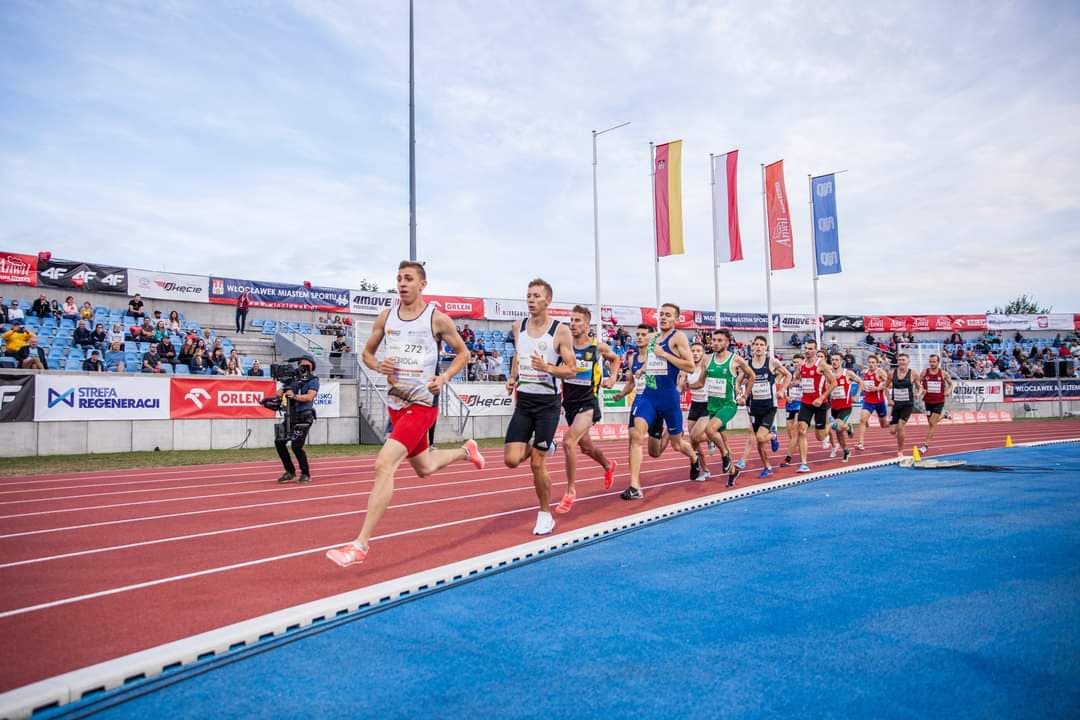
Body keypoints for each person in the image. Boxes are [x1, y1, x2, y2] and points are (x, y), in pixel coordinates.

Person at [326, 261, 483, 567]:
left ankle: (360, 545)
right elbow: (367, 355)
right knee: (424, 467)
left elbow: (463, 353)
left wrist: (444, 377)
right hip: (395, 402)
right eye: (399, 279)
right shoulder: (386, 317)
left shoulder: (437, 320)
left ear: (422, 284)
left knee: (384, 464)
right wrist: (377, 366)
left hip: (423, 404)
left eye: (408, 279)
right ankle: (467, 451)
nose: (402, 283)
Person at [502, 278, 577, 534]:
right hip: (524, 402)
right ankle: (545, 444)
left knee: (536, 463)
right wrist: (512, 378)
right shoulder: (518, 326)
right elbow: (518, 355)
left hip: (547, 404)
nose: (531, 300)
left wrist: (548, 368)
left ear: (548, 300)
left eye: (536, 296)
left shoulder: (560, 331)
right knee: (511, 460)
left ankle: (545, 514)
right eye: (529, 295)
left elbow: (571, 369)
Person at [624, 303, 701, 499]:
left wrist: (665, 354)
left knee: (676, 444)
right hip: (649, 397)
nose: (664, 318)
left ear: (676, 319)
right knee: (635, 435)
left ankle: (694, 457)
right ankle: (634, 486)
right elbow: (652, 359)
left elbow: (691, 366)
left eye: (668, 315)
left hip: (669, 399)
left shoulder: (678, 337)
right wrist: (643, 369)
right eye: (662, 315)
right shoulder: (654, 338)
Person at [554, 305, 620, 514]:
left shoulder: (596, 347)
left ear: (587, 324)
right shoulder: (563, 346)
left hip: (588, 403)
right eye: (571, 320)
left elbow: (616, 359)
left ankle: (570, 491)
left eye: (577, 321)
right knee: (586, 448)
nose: (573, 324)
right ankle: (608, 465)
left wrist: (613, 377)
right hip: (570, 404)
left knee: (568, 442)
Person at [690, 328, 752, 487]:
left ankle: (724, 455)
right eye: (714, 340)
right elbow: (701, 383)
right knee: (718, 439)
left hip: (728, 405)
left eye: (719, 340)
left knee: (710, 430)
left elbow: (751, 375)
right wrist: (685, 386)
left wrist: (744, 395)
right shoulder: (706, 360)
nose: (715, 343)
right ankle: (733, 471)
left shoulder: (735, 360)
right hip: (712, 406)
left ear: (727, 342)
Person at [612, 324, 671, 462]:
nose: (639, 337)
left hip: (655, 402)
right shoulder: (632, 358)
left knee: (654, 452)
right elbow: (632, 382)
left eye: (644, 335)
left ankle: (669, 431)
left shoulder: (659, 357)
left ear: (651, 338)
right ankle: (634, 480)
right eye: (638, 334)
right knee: (633, 438)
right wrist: (621, 394)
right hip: (639, 401)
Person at [740, 336, 791, 478]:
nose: (758, 347)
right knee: (759, 442)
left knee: (761, 437)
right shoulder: (747, 363)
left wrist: (782, 390)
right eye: (756, 344)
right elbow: (737, 381)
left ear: (766, 348)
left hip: (769, 406)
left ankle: (773, 435)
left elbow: (788, 375)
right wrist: (740, 394)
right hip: (753, 407)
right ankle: (767, 467)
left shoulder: (772, 362)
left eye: (761, 345)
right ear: (752, 347)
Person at [273, 356, 321, 485]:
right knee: (279, 442)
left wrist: (294, 396)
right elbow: (278, 393)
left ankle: (305, 473)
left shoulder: (313, 380)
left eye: (307, 365)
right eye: (301, 364)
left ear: (312, 367)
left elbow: (310, 396)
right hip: (291, 415)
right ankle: (290, 471)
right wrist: (285, 387)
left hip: (305, 416)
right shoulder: (293, 380)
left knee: (296, 446)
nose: (303, 367)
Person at [793, 340, 837, 473]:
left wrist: (822, 397)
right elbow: (798, 378)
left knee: (820, 437)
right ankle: (804, 463)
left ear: (815, 350)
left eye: (810, 348)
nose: (807, 351)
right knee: (801, 430)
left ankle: (831, 425)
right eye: (806, 348)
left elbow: (834, 383)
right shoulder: (801, 365)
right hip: (806, 403)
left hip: (819, 404)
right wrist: (795, 376)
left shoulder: (821, 365)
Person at [679, 341, 713, 480]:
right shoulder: (687, 368)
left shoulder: (707, 367)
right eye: (693, 350)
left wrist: (687, 385)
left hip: (707, 404)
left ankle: (711, 438)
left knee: (695, 436)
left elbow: (700, 384)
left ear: (703, 353)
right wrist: (680, 385)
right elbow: (681, 385)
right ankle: (704, 470)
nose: (695, 353)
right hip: (695, 405)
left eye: (699, 350)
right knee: (694, 443)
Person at [884, 353, 921, 457]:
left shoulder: (913, 373)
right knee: (892, 431)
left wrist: (918, 393)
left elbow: (920, 387)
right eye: (899, 360)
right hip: (896, 404)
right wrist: (889, 399)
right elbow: (885, 387)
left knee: (900, 427)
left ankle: (900, 450)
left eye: (903, 360)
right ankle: (900, 434)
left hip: (907, 404)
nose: (901, 362)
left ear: (908, 361)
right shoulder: (892, 373)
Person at [826, 353, 859, 463]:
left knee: (838, 426)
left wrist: (857, 395)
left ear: (841, 361)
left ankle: (848, 427)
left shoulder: (847, 373)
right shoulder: (829, 374)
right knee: (838, 432)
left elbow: (861, 382)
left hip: (846, 406)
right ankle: (845, 450)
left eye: (836, 360)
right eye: (832, 360)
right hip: (834, 407)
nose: (834, 362)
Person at [918, 353, 954, 455]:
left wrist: (948, 391)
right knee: (930, 422)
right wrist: (921, 391)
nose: (932, 363)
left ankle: (925, 445)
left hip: (939, 401)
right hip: (928, 402)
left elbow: (951, 384)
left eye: (934, 361)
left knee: (932, 424)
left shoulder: (943, 373)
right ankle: (944, 415)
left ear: (938, 362)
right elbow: (918, 383)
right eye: (930, 361)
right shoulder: (924, 372)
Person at [856, 354, 889, 450]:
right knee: (862, 420)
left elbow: (888, 383)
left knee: (884, 425)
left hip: (880, 402)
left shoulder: (880, 372)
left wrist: (877, 388)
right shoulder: (864, 372)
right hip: (868, 401)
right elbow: (862, 383)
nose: (871, 364)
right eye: (869, 362)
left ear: (877, 364)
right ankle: (860, 443)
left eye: (873, 362)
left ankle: (894, 424)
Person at [780, 353, 804, 467]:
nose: (796, 364)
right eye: (794, 362)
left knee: (795, 429)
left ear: (802, 362)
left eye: (798, 362)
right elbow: (783, 388)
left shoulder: (805, 375)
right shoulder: (789, 375)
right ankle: (800, 448)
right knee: (790, 432)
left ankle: (788, 458)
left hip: (801, 404)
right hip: (790, 405)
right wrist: (786, 397)